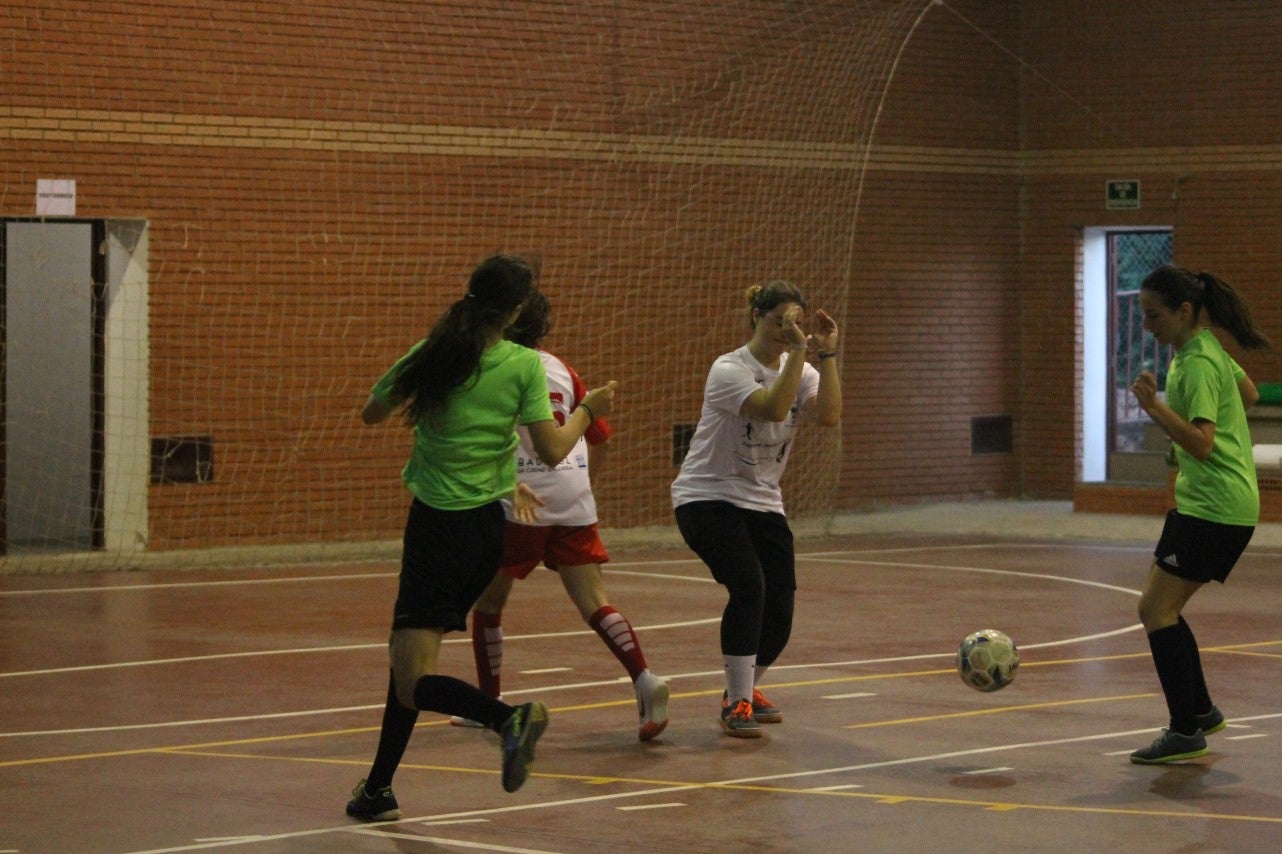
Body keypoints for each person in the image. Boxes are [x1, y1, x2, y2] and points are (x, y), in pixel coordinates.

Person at [346, 254, 618, 820]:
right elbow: (552, 448)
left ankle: (505, 718)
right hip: (487, 534)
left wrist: (419, 398)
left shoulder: (436, 352)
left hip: (437, 530)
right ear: (517, 309)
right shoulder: (522, 366)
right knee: (407, 666)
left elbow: (372, 412)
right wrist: (589, 409)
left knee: (410, 676)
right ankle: (377, 790)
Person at [449, 291, 670, 741]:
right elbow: (598, 434)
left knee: (489, 604)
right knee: (595, 601)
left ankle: (488, 703)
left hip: (522, 500)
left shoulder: (492, 367)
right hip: (573, 495)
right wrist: (583, 491)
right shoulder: (562, 369)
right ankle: (644, 678)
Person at [671, 280, 841, 737]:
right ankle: (739, 703)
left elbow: (828, 416)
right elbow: (770, 408)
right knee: (749, 584)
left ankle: (743, 689)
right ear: (756, 318)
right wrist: (801, 354)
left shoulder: (800, 368)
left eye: (795, 324)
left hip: (762, 501)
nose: (788, 332)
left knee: (781, 605)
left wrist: (825, 356)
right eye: (779, 323)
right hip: (706, 496)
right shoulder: (728, 368)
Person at [1128, 264, 1271, 764]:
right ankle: (1202, 710)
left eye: (1154, 315)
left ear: (1184, 311)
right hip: (1220, 504)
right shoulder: (1209, 348)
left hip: (1214, 506)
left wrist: (1155, 410)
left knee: (1155, 610)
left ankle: (1185, 730)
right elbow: (1250, 395)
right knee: (1161, 607)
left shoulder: (1194, 364)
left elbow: (1204, 444)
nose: (1148, 325)